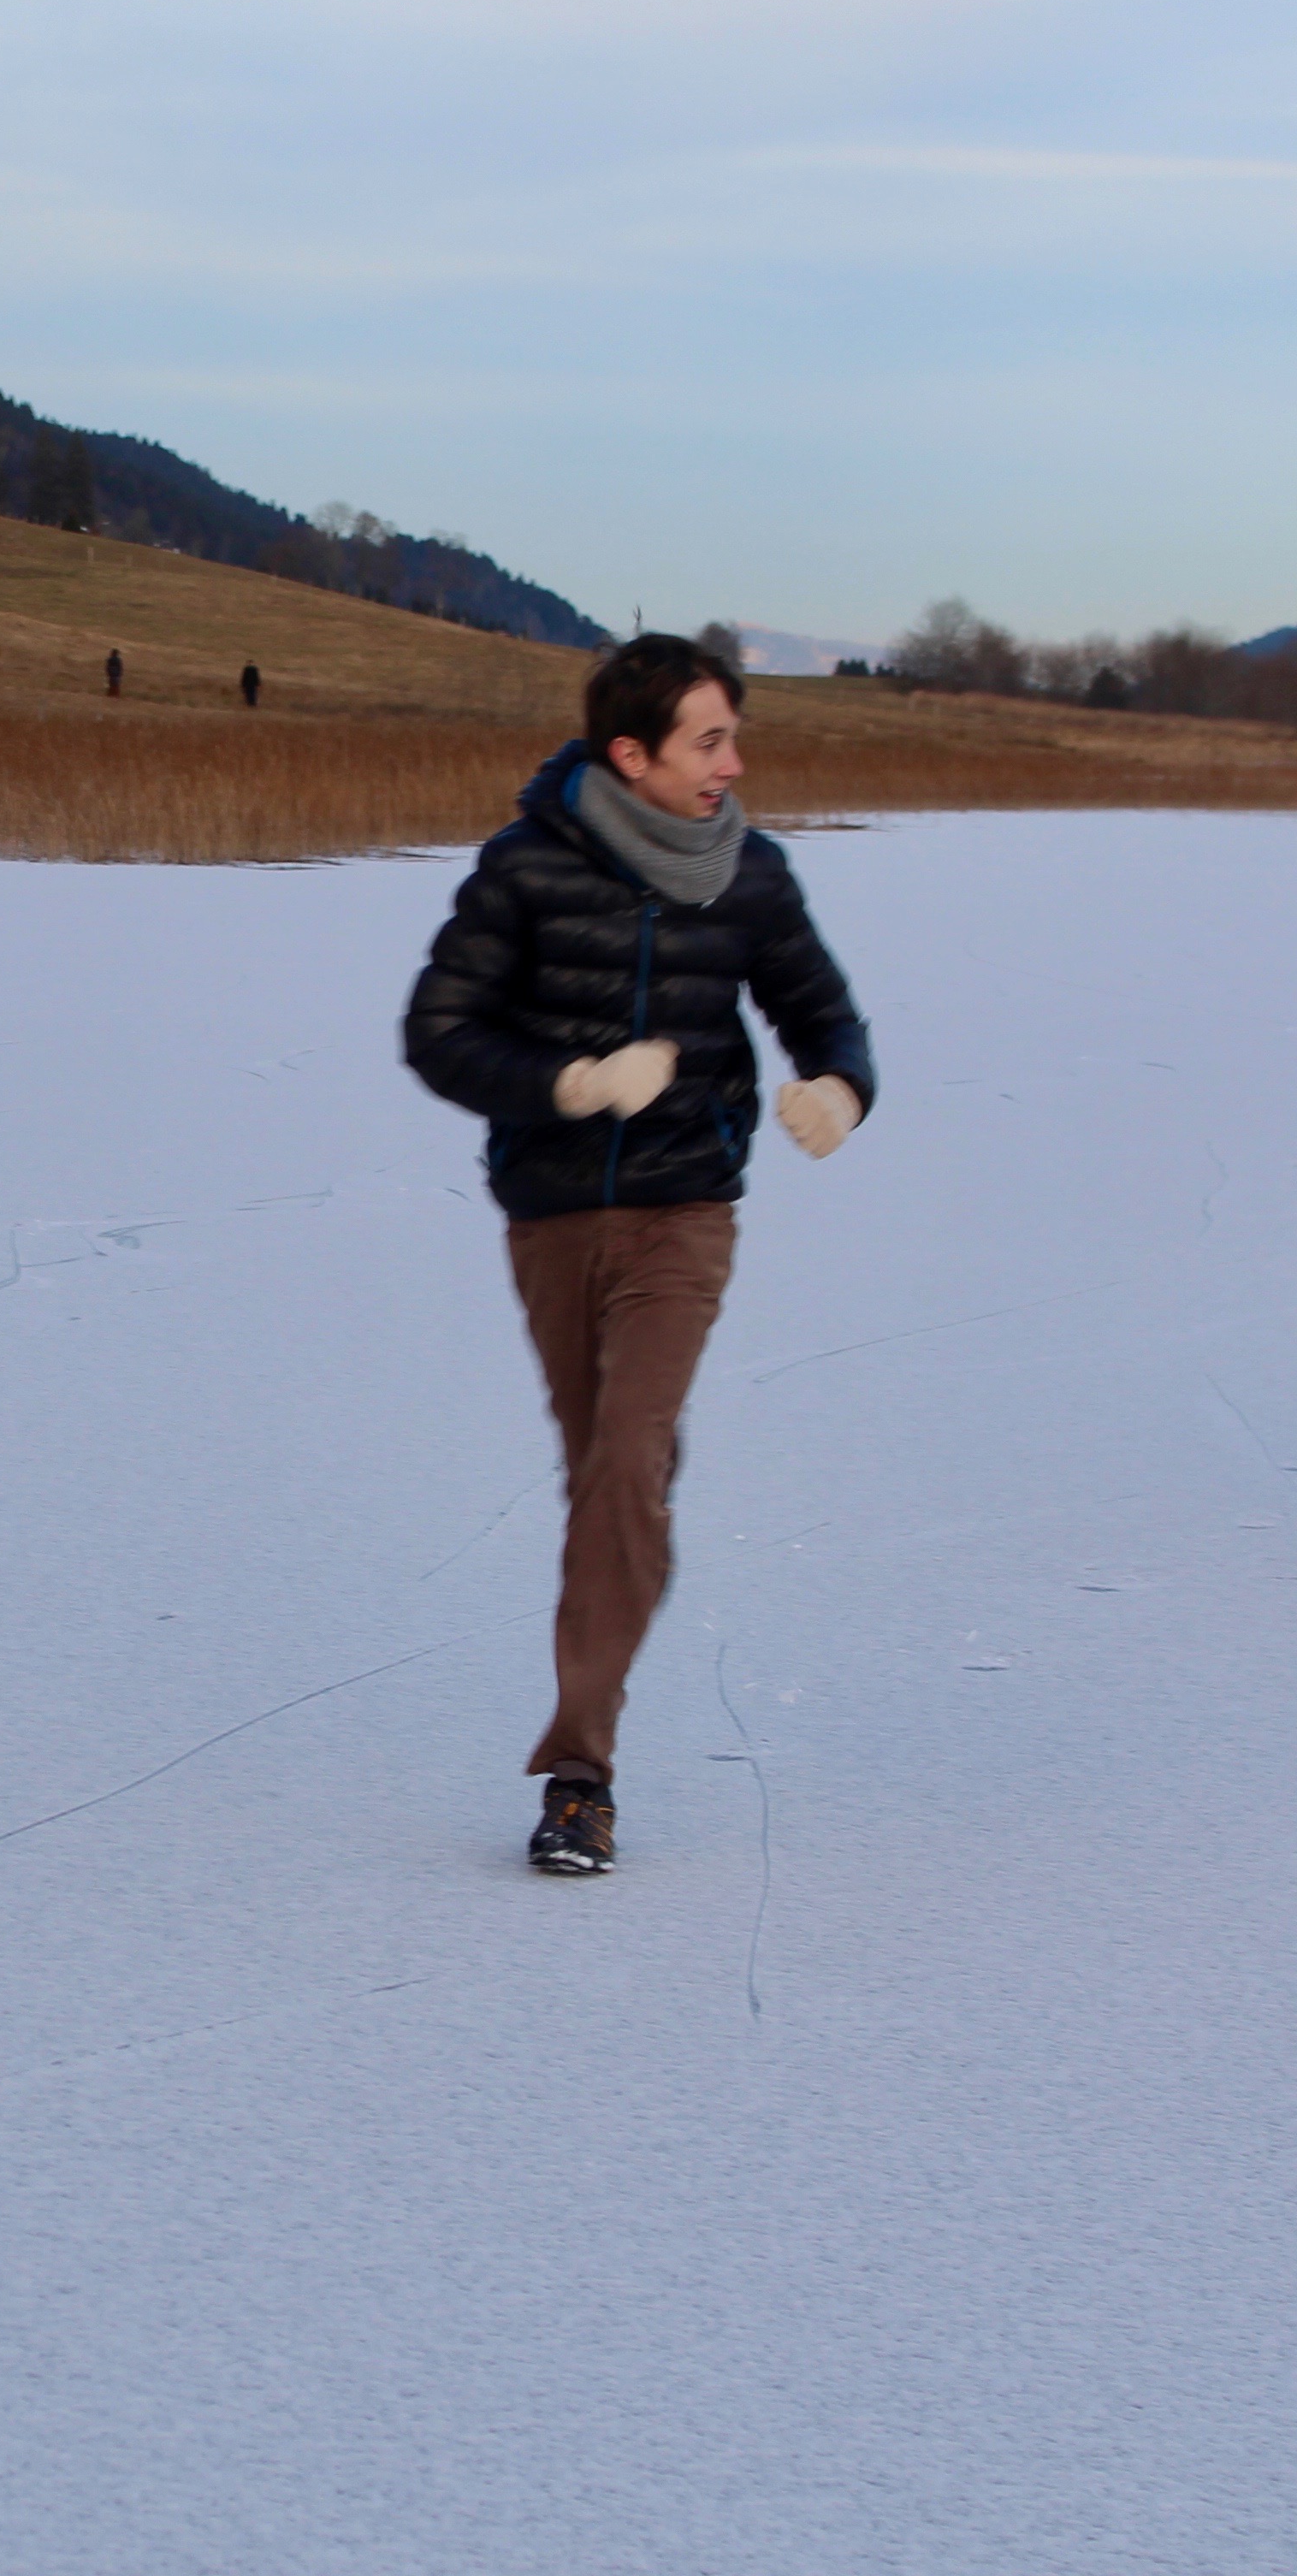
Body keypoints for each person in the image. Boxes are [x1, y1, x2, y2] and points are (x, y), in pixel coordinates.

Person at [405, 634, 874, 1874]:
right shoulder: (524, 869)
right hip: (554, 1215)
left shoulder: (752, 876)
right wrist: (568, 1082)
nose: (735, 761)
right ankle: (640, 1487)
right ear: (633, 754)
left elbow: (823, 1013)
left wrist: (842, 1086)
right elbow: (438, 1032)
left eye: (734, 735)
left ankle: (579, 1778)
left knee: (622, 1465)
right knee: (604, 1473)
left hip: (686, 1208)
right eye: (709, 739)